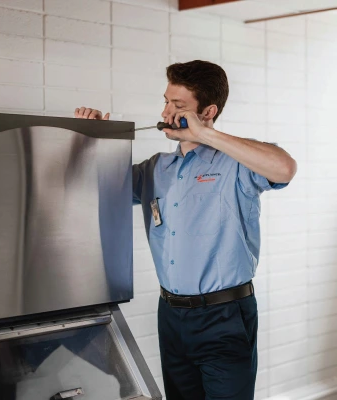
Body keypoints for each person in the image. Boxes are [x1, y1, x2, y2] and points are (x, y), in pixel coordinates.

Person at [74, 60, 297, 400]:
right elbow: (92, 188)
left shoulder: (237, 162)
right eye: (166, 101)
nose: (166, 111)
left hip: (224, 316)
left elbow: (284, 168)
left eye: (179, 106)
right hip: (172, 315)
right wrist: (92, 140)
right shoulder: (156, 169)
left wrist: (204, 134)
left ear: (208, 111)